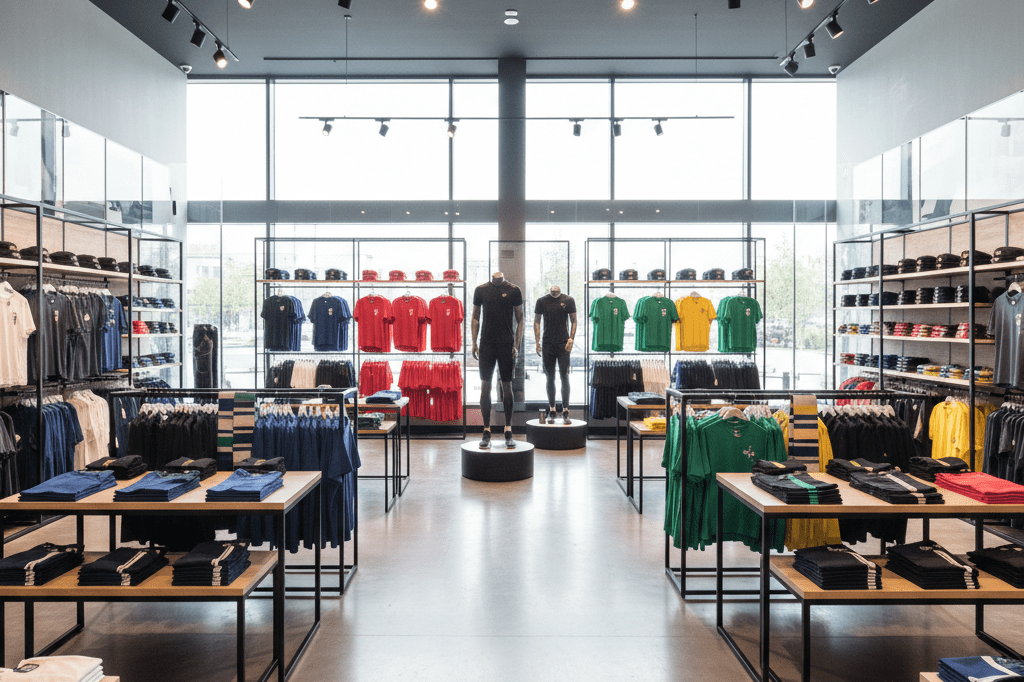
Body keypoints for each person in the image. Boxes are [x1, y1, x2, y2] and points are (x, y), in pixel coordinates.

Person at [471, 272, 524, 449]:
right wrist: (473, 341)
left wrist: (516, 343)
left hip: (506, 345)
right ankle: (486, 431)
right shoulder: (481, 290)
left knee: (507, 386)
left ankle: (508, 430)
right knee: (485, 385)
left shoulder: (513, 290)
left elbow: (520, 318)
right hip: (486, 344)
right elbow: (475, 317)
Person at [534, 285, 576, 424]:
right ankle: (552, 409)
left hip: (563, 344)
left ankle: (565, 410)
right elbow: (537, 321)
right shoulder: (542, 301)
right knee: (549, 376)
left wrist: (571, 338)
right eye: (553, 292)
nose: (554, 293)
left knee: (564, 375)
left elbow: (574, 321)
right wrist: (537, 342)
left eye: (556, 292)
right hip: (547, 343)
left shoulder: (568, 300)